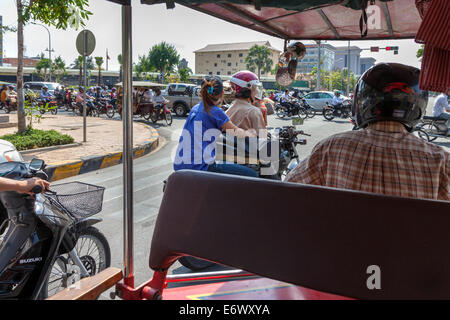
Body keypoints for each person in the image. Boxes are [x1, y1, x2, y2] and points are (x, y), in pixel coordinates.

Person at [286, 62, 449, 201]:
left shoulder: (330, 148)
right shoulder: (440, 160)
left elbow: (288, 192)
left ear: (361, 101)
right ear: (419, 105)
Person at [174, 76, 258, 177]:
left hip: (180, 164)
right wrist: (251, 133)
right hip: (200, 166)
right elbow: (236, 131)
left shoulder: (195, 108)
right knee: (252, 174)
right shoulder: (216, 112)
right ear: (222, 94)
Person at [226, 70, 267, 137]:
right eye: (254, 88)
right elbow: (262, 137)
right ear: (247, 90)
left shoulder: (229, 110)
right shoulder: (253, 111)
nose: (256, 91)